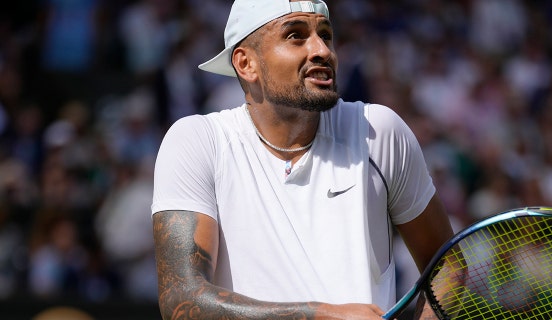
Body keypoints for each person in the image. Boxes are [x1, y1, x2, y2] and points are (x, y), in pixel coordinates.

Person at [151, 0, 455, 319]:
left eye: (325, 35)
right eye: (296, 36)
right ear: (246, 64)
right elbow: (182, 300)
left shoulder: (378, 131)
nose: (321, 50)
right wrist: (322, 315)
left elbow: (447, 263)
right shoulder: (198, 141)